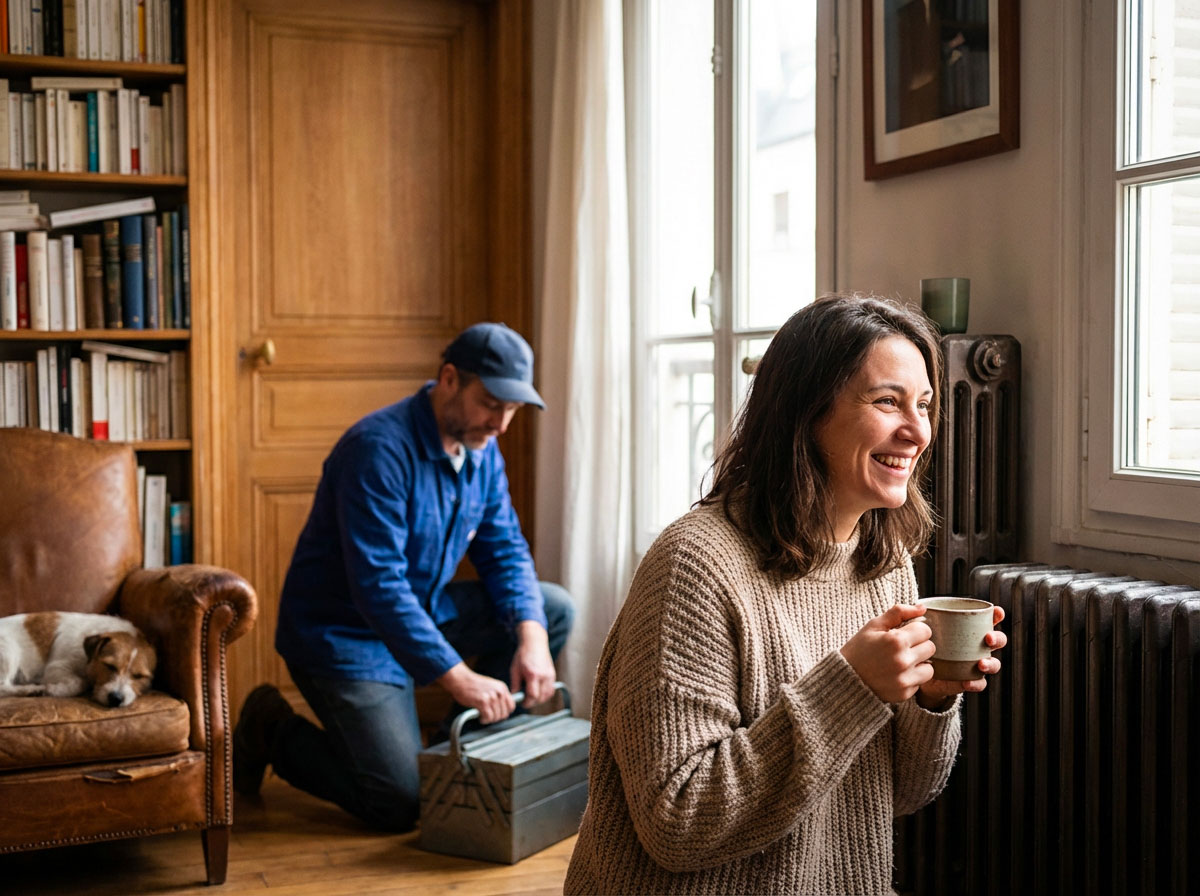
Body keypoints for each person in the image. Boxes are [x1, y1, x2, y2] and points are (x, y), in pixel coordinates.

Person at [564, 294, 1007, 895]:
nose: (917, 431)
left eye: (924, 406)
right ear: (806, 411)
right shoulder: (695, 565)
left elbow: (897, 792)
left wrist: (930, 700)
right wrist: (851, 687)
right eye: (887, 402)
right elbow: (678, 820)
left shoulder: (885, 563)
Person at [233, 322, 574, 832]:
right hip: (344, 637)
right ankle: (270, 726)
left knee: (549, 611)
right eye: (491, 404)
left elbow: (504, 550)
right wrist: (459, 678)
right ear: (450, 378)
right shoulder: (376, 450)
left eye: (512, 410)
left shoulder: (483, 450)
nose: (501, 425)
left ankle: (447, 757)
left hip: (423, 612)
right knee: (401, 802)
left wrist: (532, 639)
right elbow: (379, 588)